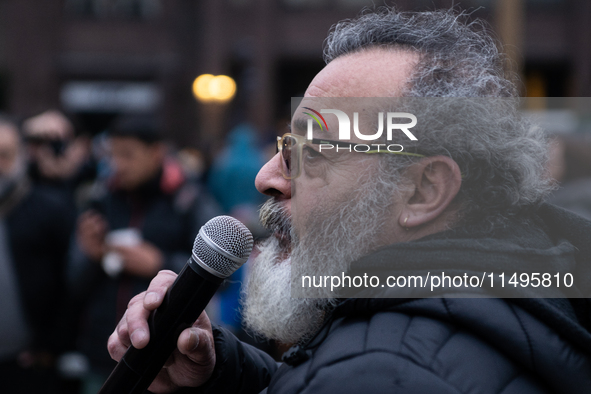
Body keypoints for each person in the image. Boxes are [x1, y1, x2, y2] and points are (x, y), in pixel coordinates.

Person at [107, 8, 591, 394]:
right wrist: (222, 376)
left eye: (312, 153)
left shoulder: (380, 371)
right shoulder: (522, 282)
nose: (266, 177)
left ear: (424, 190)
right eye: (284, 148)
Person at [71, 114, 220, 391]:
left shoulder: (188, 200)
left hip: (167, 360)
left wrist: (159, 263)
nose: (118, 165)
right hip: (101, 353)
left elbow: (218, 275)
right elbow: (73, 282)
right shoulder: (100, 198)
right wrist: (90, 255)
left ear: (156, 153)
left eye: (128, 155)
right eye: (113, 155)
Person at [0, 116, 75, 393]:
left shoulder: (50, 209)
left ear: (21, 155)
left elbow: (71, 282)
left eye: (5, 155)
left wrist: (51, 347)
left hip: (31, 363)